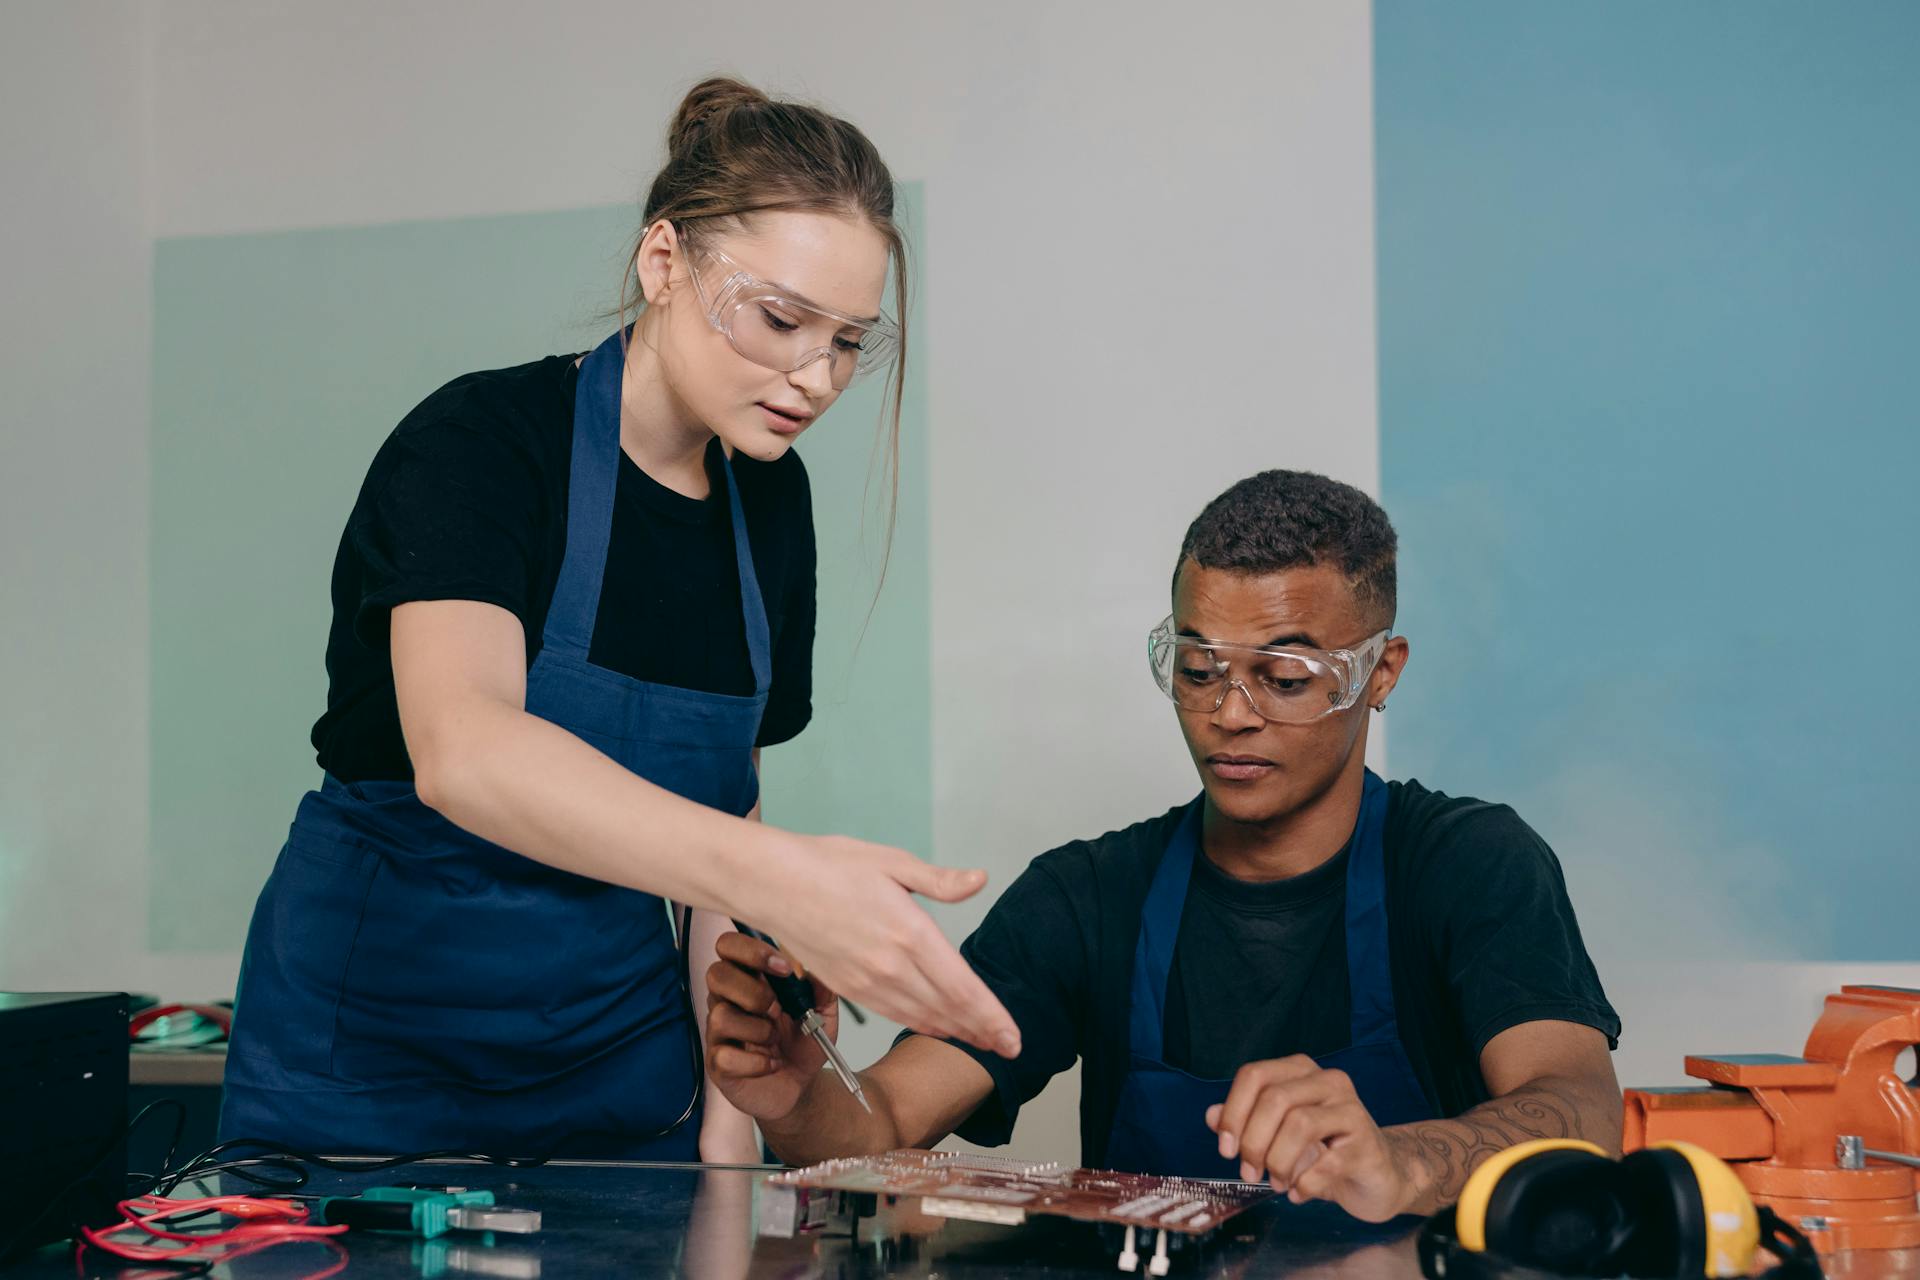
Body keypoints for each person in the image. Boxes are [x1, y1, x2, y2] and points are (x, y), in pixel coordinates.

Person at [220, 77, 1018, 1163]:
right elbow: (466, 752)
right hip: (366, 1079)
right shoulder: (483, 443)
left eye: (847, 342)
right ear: (662, 263)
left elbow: (716, 854)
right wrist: (777, 874)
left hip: (619, 1086)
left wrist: (724, 1173)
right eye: (782, 319)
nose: (815, 377)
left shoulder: (769, 502)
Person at [706, 470, 1624, 1222]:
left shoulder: (1471, 865)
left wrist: (1399, 1161)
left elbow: (1581, 1111)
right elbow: (884, 1122)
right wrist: (800, 1088)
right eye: (1197, 669)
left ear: (1379, 674)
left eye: (1285, 677)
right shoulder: (1088, 896)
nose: (1230, 713)